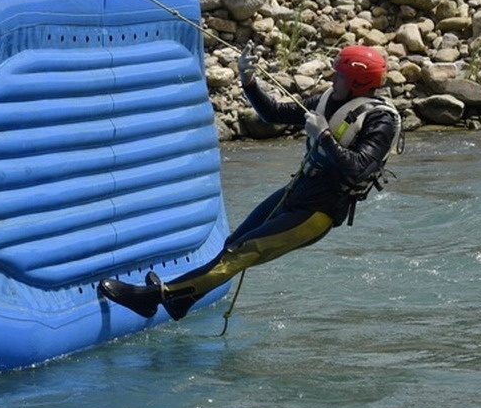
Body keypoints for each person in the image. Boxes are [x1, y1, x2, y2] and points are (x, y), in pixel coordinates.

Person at [99, 43, 403, 320]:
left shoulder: (380, 120)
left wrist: (323, 136)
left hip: (319, 212)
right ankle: (182, 301)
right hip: (296, 192)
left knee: (240, 252)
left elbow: (359, 169)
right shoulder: (327, 100)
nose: (332, 79)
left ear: (356, 83)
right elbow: (272, 113)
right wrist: (248, 79)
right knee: (233, 243)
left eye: (338, 75)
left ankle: (154, 297)